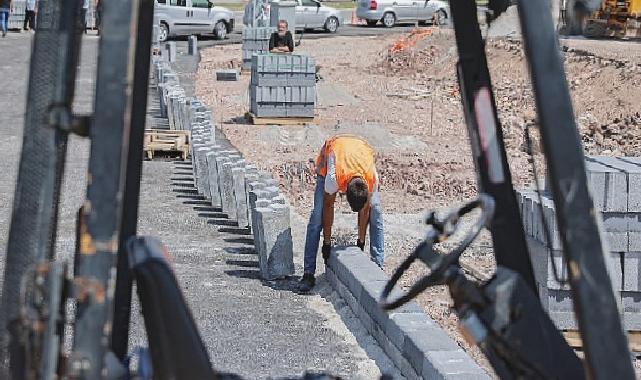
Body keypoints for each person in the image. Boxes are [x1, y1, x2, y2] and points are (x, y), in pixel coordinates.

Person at [298, 135, 385, 293]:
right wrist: (326, 242)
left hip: (360, 149)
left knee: (376, 211)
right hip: (334, 154)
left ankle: (378, 266)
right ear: (344, 193)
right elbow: (328, 205)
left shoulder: (372, 180)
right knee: (317, 215)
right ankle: (308, 273)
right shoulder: (333, 178)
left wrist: (361, 241)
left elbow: (365, 210)